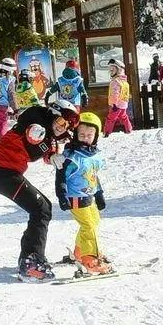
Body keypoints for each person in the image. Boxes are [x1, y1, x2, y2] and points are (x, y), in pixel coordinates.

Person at [0, 98, 79, 280]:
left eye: (66, 126)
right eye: (60, 121)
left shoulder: (50, 136)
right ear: (53, 114)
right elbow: (32, 133)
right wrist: (36, 132)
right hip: (1, 172)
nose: (61, 127)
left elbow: (45, 150)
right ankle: (31, 261)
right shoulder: (37, 121)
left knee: (45, 207)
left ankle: (29, 258)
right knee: (40, 209)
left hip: (6, 173)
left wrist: (52, 158)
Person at [55, 111, 111, 275]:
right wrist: (61, 196)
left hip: (89, 197)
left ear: (96, 136)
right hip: (75, 197)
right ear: (75, 135)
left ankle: (79, 253)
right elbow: (61, 177)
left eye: (89, 135)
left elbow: (94, 176)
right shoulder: (72, 157)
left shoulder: (94, 156)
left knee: (93, 222)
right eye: (82, 134)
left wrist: (99, 194)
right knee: (89, 226)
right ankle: (90, 259)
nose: (85, 137)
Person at [104, 62, 133, 134]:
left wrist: (114, 104)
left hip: (116, 104)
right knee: (123, 117)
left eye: (113, 69)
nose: (111, 71)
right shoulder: (124, 81)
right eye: (110, 69)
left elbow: (115, 93)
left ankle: (107, 132)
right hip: (123, 104)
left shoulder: (115, 81)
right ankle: (129, 129)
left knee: (110, 118)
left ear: (119, 70)